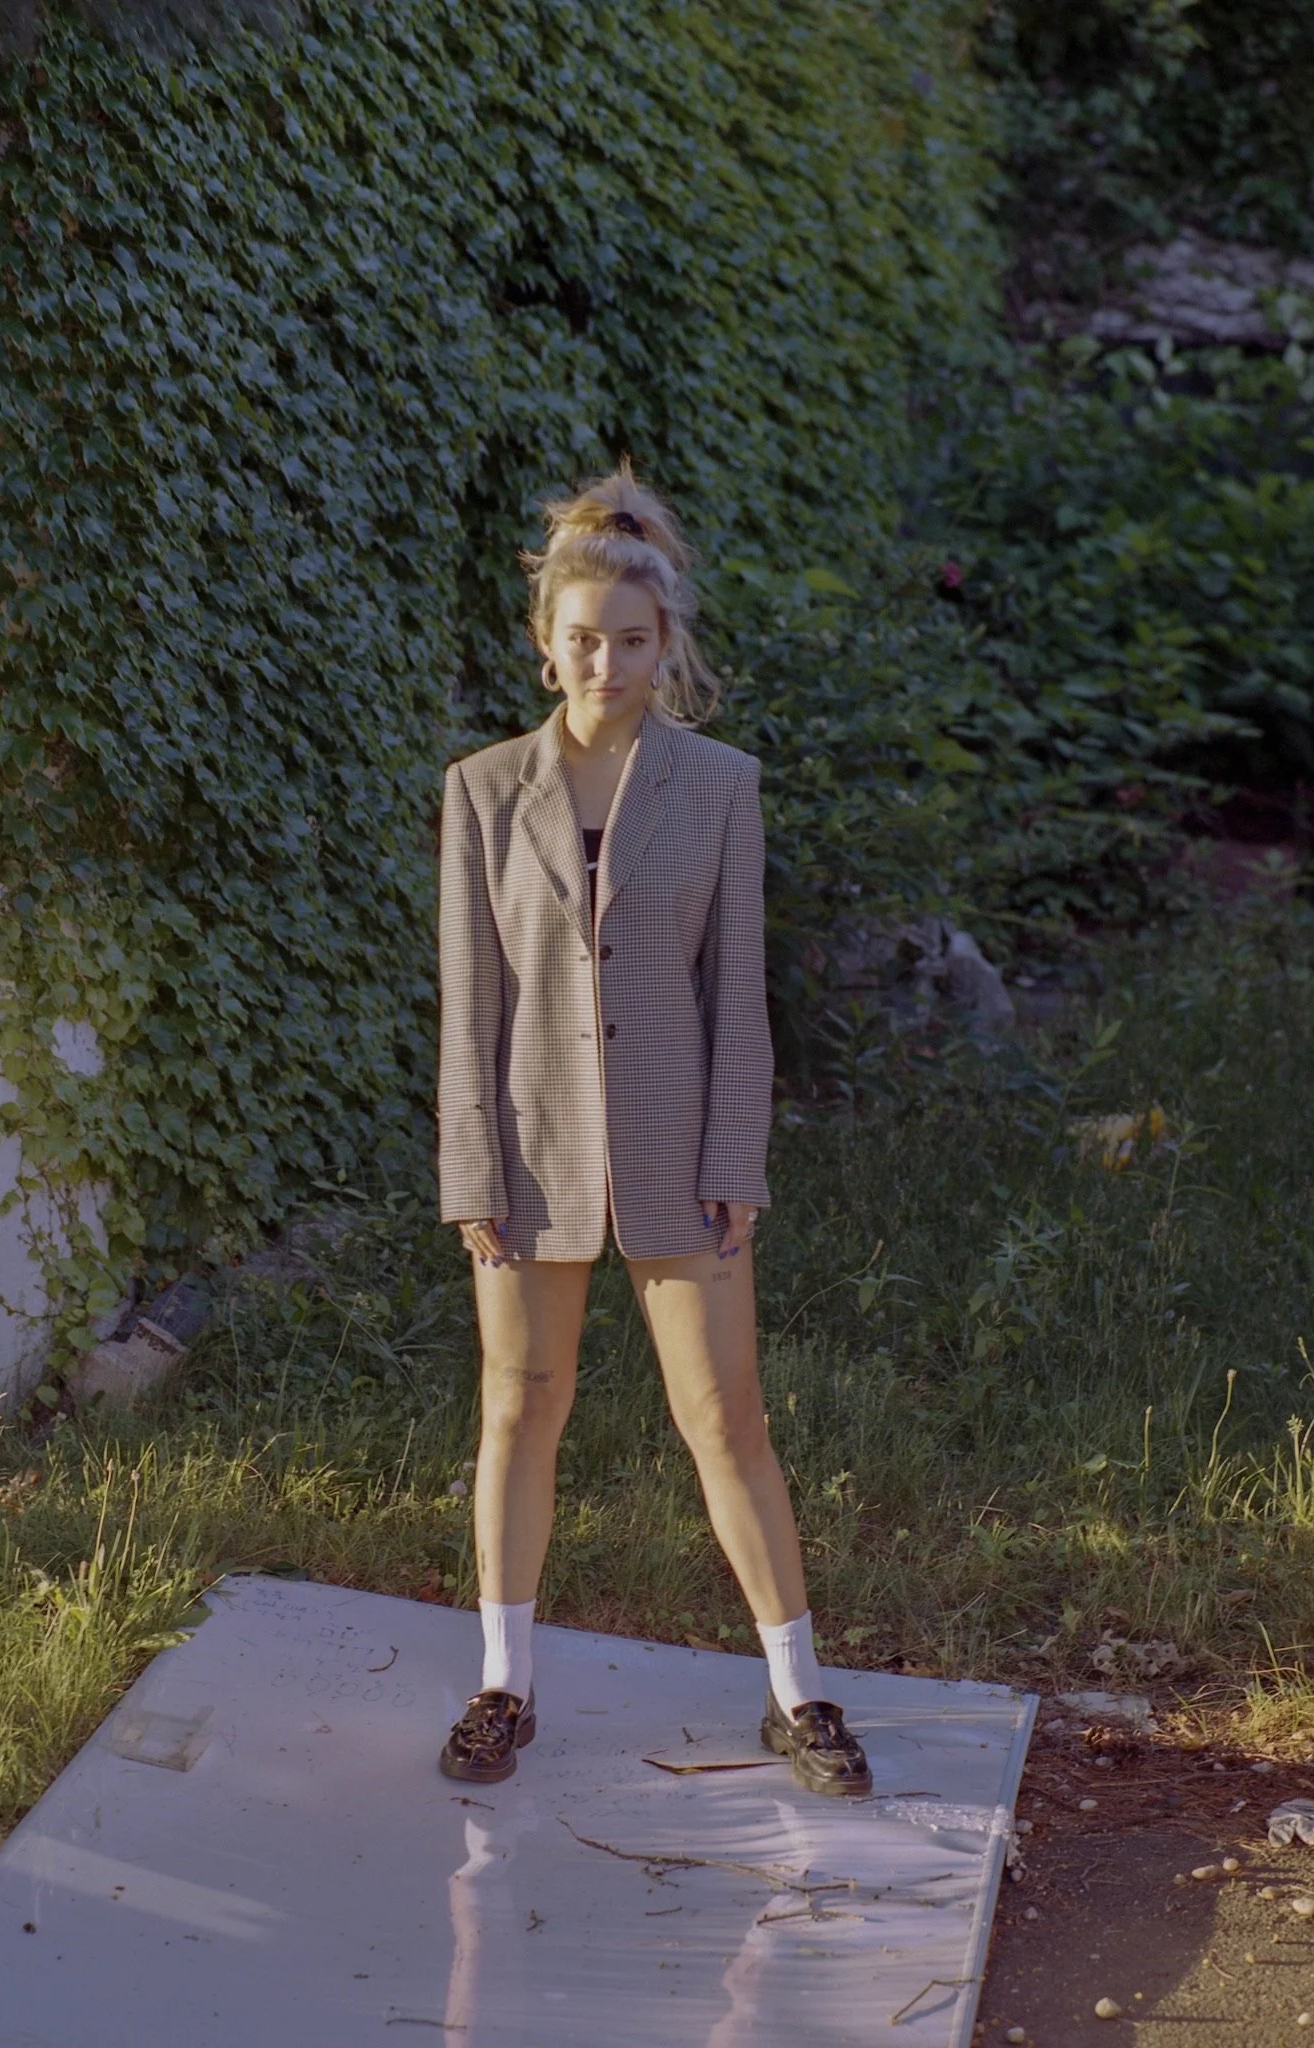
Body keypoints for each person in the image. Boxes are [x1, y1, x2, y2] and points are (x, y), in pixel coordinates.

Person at [434, 461, 870, 1798]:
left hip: (682, 1151)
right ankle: (502, 1687)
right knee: (519, 1407)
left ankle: (797, 1697)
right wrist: (470, 1170)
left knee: (724, 1417)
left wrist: (735, 1158)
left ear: (663, 644)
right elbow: (471, 1000)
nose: (604, 666)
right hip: (528, 1153)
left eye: (630, 644)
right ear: (542, 642)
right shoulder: (481, 790)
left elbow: (732, 987)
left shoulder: (720, 785)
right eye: (581, 642)